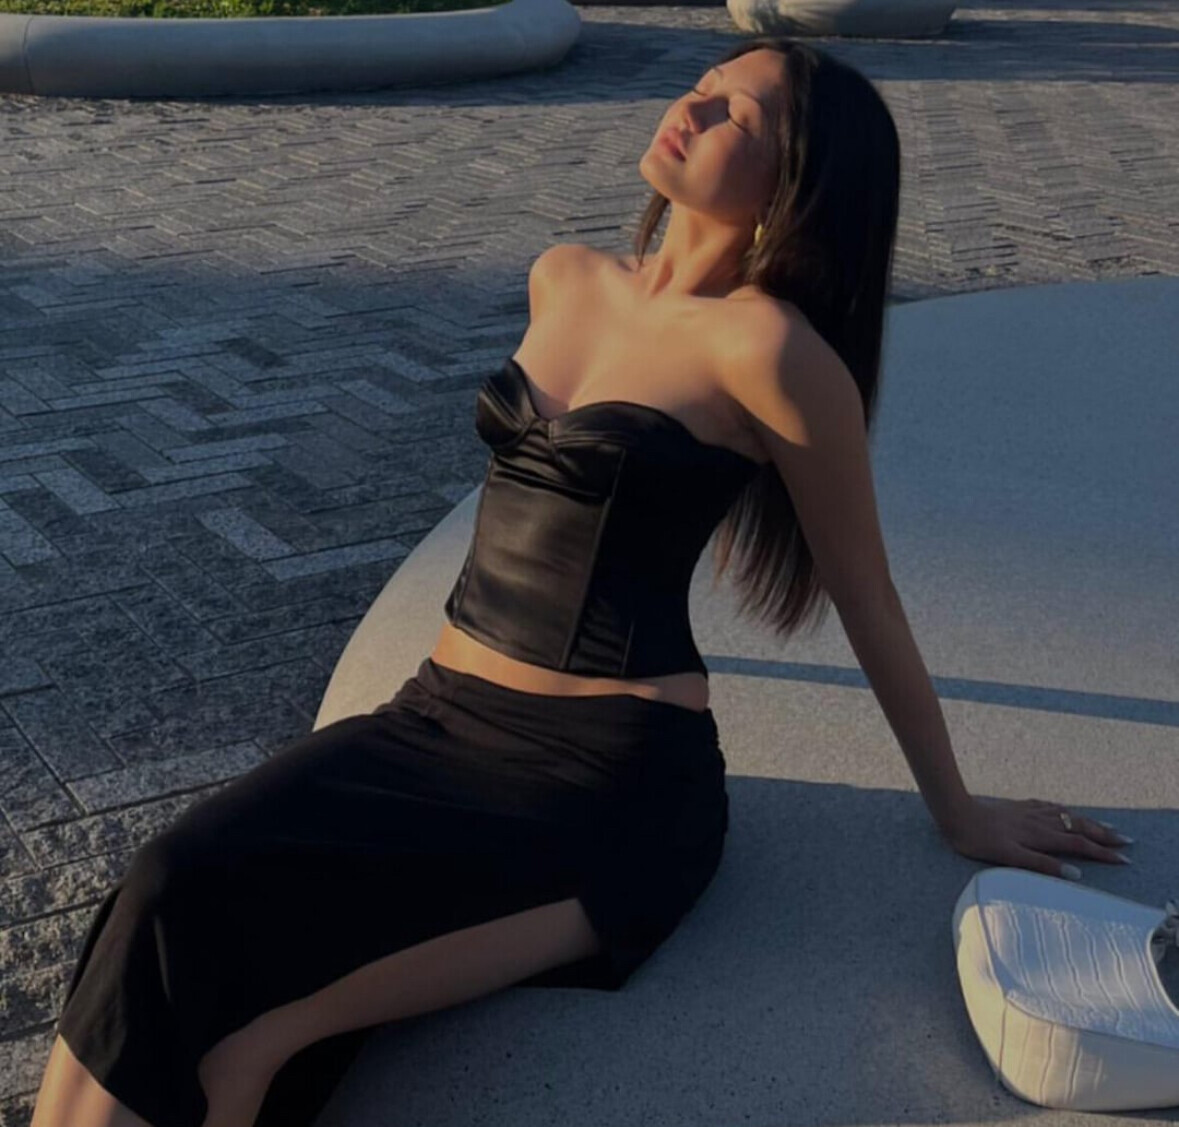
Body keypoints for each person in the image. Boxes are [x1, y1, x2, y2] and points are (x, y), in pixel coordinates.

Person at [30, 35, 1132, 1127]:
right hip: (429, 718)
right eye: (703, 86)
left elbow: (866, 592)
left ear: (796, 185)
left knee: (243, 1029)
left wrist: (957, 808)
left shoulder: (768, 352)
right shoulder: (564, 277)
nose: (692, 109)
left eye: (738, 115)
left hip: (600, 787)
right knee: (162, 886)